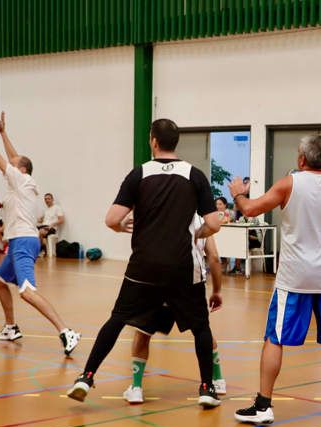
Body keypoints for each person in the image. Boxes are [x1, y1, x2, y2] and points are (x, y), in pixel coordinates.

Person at [66, 118, 222, 407]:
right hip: (182, 267)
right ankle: (206, 388)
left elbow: (112, 219)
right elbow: (214, 222)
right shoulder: (195, 175)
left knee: (117, 320)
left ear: (153, 141)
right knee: (200, 327)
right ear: (176, 143)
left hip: (144, 267)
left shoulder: (139, 175)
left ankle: (86, 377)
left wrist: (121, 226)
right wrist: (198, 232)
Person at [228, 135, 321, 425]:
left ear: (302, 159)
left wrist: (238, 193)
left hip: (294, 278)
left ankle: (264, 405)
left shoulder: (289, 183)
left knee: (274, 339)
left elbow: (250, 209)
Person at [0, 108, 80, 355]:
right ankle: (11, 327)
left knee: (26, 291)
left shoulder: (21, 180)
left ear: (21, 170)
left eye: (13, 164)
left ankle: (66, 331)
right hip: (18, 241)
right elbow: (13, 156)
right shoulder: (23, 180)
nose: (9, 163)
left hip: (24, 241)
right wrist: (4, 133)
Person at [120, 213, 227, 403]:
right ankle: (216, 381)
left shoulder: (163, 214)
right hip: (190, 283)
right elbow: (214, 257)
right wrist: (217, 290)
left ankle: (136, 387)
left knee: (143, 332)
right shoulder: (201, 221)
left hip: (158, 281)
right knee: (202, 331)